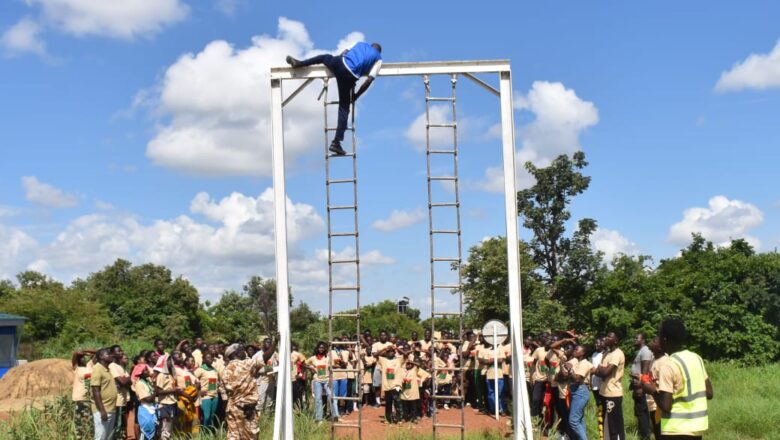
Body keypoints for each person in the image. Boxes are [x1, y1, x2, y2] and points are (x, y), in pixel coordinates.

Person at [287, 42, 383, 156]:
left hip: (340, 63)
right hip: (349, 76)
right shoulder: (378, 59)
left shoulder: (360, 43)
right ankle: (336, 143)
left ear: (371, 45)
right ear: (378, 51)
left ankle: (300, 63)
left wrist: (337, 62)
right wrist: (356, 95)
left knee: (324, 57)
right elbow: (369, 80)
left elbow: (344, 52)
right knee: (344, 108)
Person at [642, 319, 713, 440]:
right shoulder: (696, 358)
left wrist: (652, 390)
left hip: (675, 429)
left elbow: (666, 406)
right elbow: (709, 393)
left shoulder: (669, 365)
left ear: (664, 340)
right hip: (697, 429)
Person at [222, 343, 265, 439]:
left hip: (233, 408)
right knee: (251, 435)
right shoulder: (245, 364)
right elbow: (264, 358)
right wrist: (275, 343)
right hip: (247, 408)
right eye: (241, 350)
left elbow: (226, 390)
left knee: (234, 435)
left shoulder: (225, 370)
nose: (244, 352)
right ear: (235, 353)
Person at [595, 331, 626, 440]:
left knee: (614, 426)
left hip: (613, 393)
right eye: (606, 336)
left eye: (609, 336)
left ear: (616, 341)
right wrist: (600, 370)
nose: (606, 338)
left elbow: (604, 372)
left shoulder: (618, 353)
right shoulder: (606, 353)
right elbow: (600, 372)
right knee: (606, 424)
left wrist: (600, 370)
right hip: (603, 392)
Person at [305, 342, 340, 422]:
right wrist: (311, 367)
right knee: (318, 399)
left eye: (323, 348)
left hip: (327, 380)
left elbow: (331, 370)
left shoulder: (328, 358)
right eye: (320, 347)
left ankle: (335, 416)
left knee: (331, 397)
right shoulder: (313, 358)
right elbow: (304, 363)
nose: (321, 349)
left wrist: (331, 380)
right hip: (317, 380)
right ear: (317, 348)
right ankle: (319, 418)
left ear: (325, 349)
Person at [91, 348, 118, 440]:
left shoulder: (107, 369)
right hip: (103, 409)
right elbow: (95, 390)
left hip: (111, 409)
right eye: (108, 354)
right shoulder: (97, 368)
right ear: (101, 357)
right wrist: (102, 410)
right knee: (101, 436)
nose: (111, 355)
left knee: (108, 437)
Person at [567, 345, 593, 440]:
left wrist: (570, 369)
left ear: (583, 353)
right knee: (579, 420)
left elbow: (577, 379)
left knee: (573, 421)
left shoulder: (584, 363)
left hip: (580, 392)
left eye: (577, 349)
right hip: (576, 392)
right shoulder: (577, 362)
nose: (574, 350)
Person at [632, 333, 655, 440]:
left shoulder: (645, 351)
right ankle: (644, 434)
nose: (634, 339)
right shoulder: (641, 351)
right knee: (640, 411)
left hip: (641, 386)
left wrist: (641, 386)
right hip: (637, 385)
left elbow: (645, 370)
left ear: (643, 340)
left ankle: (646, 436)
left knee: (642, 412)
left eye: (637, 338)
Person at [153, 354, 181, 440]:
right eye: (168, 361)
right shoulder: (161, 375)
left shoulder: (170, 375)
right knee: (165, 428)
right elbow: (158, 391)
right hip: (165, 404)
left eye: (170, 360)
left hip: (172, 402)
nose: (170, 362)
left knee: (170, 427)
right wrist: (173, 391)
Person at [71, 349, 95, 439]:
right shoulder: (76, 368)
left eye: (84, 358)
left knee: (90, 420)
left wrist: (86, 351)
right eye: (81, 358)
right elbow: (75, 353)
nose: (83, 359)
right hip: (79, 399)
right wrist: (79, 353)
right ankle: (79, 437)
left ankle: (89, 436)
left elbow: (99, 352)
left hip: (89, 399)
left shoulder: (89, 366)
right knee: (79, 421)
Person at [377, 344, 403, 423]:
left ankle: (399, 419)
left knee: (397, 402)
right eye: (389, 352)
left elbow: (405, 354)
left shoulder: (398, 359)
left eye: (392, 351)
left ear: (394, 353)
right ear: (386, 353)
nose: (391, 353)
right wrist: (384, 348)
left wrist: (397, 348)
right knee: (388, 403)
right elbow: (375, 355)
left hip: (396, 385)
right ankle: (388, 419)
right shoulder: (383, 360)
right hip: (387, 385)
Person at [195, 352, 220, 431]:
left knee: (212, 416)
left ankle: (210, 434)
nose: (210, 359)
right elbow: (193, 380)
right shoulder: (200, 370)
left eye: (211, 358)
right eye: (208, 358)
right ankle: (204, 432)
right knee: (206, 416)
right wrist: (198, 392)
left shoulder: (214, 370)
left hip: (215, 396)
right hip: (205, 396)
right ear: (204, 360)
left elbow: (218, 381)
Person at [132, 365, 158, 440]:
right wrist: (156, 393)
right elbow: (148, 399)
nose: (148, 372)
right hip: (145, 409)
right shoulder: (140, 383)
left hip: (151, 407)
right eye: (146, 370)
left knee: (153, 430)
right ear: (141, 373)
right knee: (146, 432)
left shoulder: (147, 381)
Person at [591, 337, 606, 440]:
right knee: (599, 407)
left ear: (602, 343)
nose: (596, 345)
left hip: (602, 385)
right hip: (594, 385)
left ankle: (605, 430)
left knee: (604, 407)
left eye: (598, 342)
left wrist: (595, 371)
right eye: (595, 343)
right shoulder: (594, 355)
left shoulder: (604, 354)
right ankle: (601, 431)